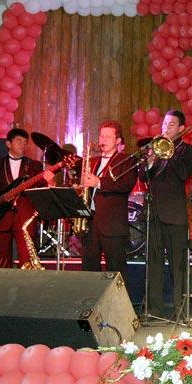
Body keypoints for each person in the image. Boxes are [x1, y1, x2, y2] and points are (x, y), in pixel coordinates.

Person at [138, 109, 192, 319]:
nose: (166, 128)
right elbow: (143, 177)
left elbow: (183, 174)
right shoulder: (155, 147)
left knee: (177, 267)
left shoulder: (188, 151)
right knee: (153, 265)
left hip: (175, 216)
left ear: (181, 128)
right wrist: (150, 161)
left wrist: (169, 153)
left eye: (171, 124)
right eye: (164, 124)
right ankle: (154, 310)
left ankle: (180, 310)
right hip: (154, 214)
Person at [0, 128, 54, 268]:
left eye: (25, 142)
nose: (23, 145)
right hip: (2, 216)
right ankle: (1, 281)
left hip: (25, 217)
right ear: (8, 144)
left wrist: (50, 182)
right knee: (0, 259)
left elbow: (42, 188)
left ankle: (26, 282)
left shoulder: (34, 165)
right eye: (19, 141)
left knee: (26, 257)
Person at [80, 120, 137, 286]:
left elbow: (125, 185)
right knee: (89, 268)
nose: (102, 140)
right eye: (101, 136)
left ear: (118, 140)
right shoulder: (93, 161)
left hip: (112, 224)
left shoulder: (126, 160)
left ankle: (119, 302)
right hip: (90, 222)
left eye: (107, 136)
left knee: (116, 269)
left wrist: (98, 182)